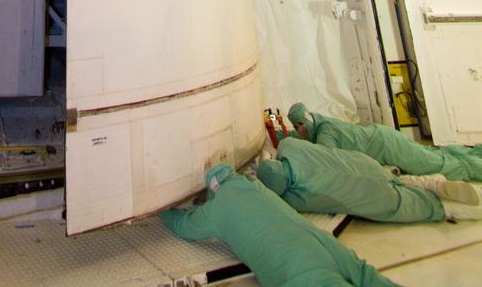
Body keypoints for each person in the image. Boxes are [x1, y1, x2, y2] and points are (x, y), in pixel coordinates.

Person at [161, 161, 400, 287]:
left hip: (297, 272)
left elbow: (184, 225)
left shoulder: (217, 209)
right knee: (362, 273)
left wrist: (160, 210)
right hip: (319, 242)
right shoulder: (256, 187)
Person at [257, 135, 482, 223]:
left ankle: (446, 207)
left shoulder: (296, 196)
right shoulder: (291, 148)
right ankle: (434, 183)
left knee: (410, 205)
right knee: (398, 179)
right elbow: (286, 143)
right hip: (366, 164)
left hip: (370, 195)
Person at [289, 102, 482, 183]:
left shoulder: (324, 132)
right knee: (434, 155)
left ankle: (475, 167)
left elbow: (325, 159)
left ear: (305, 121)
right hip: (383, 138)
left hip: (387, 146)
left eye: (299, 126)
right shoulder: (320, 122)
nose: (299, 131)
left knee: (435, 166)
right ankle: (473, 154)